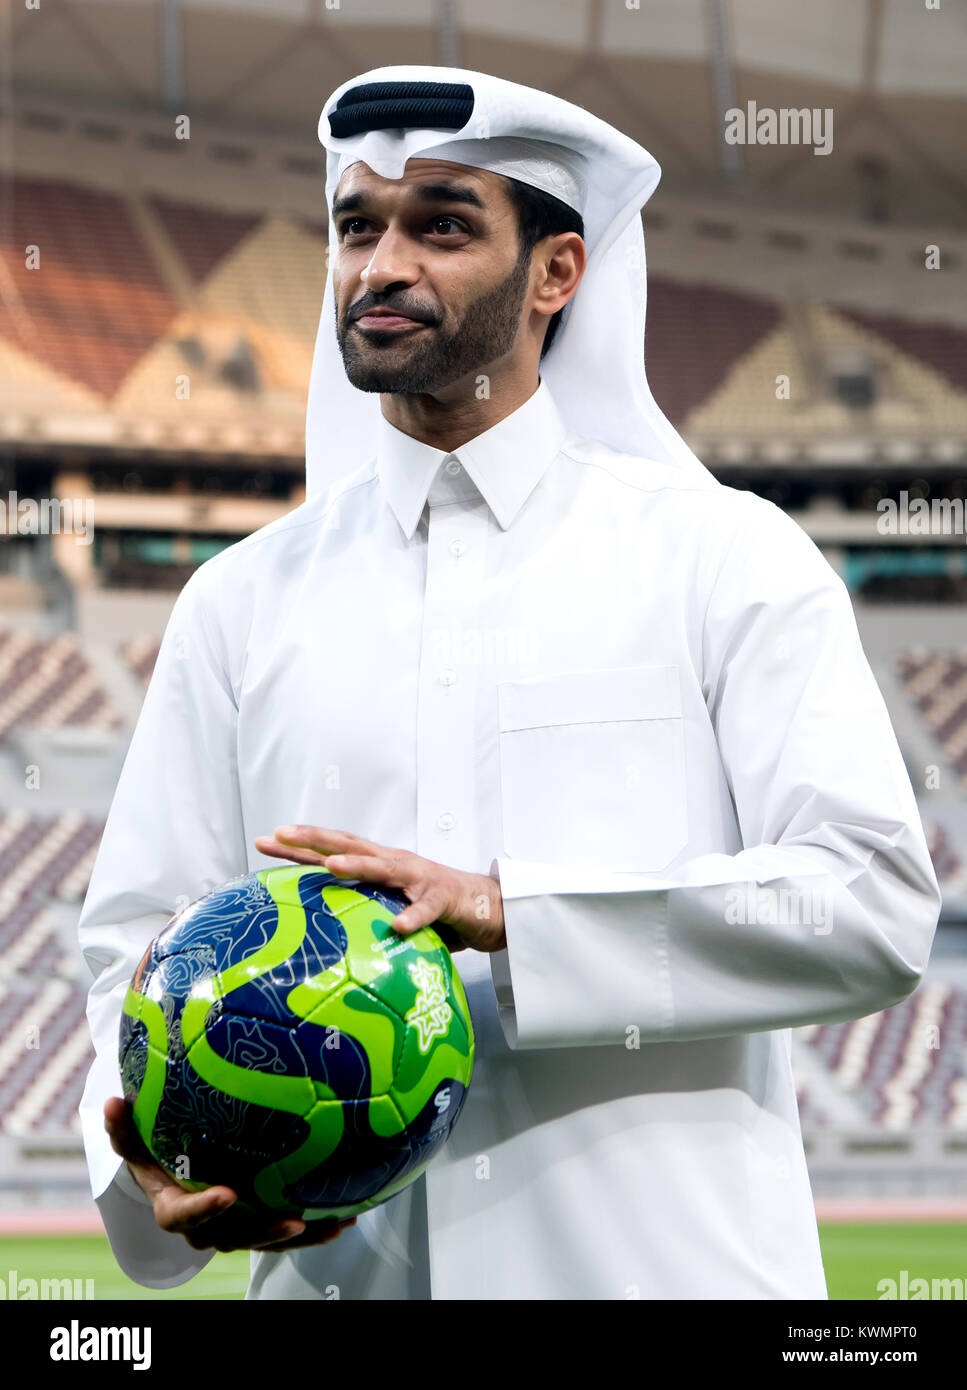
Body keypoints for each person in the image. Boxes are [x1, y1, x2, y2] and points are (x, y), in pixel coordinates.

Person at [79, 65, 941, 1300]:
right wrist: (154, 1181)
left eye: (440, 224)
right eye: (355, 225)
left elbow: (868, 899)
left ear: (558, 273)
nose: (379, 266)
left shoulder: (722, 556)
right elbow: (135, 944)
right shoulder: (237, 603)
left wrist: (515, 915)